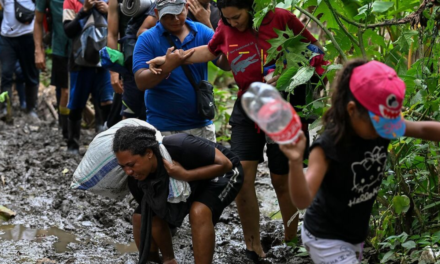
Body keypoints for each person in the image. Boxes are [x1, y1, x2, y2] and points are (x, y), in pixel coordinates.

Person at [147, 0, 321, 261]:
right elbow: (210, 50)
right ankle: (253, 246)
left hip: (284, 105)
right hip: (247, 104)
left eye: (237, 17)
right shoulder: (225, 27)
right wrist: (171, 59)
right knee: (241, 176)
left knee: (280, 180)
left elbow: (315, 50)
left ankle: (291, 241)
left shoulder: (281, 18)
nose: (232, 23)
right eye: (226, 19)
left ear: (251, 8)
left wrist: (296, 74)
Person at [279, 60, 440, 263]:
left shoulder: (382, 124)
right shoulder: (328, 146)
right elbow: (303, 200)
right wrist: (294, 162)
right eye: (379, 126)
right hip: (325, 237)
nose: (385, 132)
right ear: (352, 110)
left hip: (353, 235)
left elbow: (423, 129)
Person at [113, 126, 243, 264]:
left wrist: (185, 175)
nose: (128, 172)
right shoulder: (136, 180)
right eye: (123, 167)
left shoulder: (179, 144)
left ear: (149, 153)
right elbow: (155, 217)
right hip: (190, 183)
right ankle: (163, 261)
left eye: (131, 165)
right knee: (141, 217)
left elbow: (226, 164)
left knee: (198, 211)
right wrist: (169, 258)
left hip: (222, 173)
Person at [132, 0, 229, 142]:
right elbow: (141, 82)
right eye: (168, 15)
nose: (175, 19)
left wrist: (228, 48)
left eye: (178, 13)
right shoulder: (147, 39)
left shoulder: (202, 31)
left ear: (187, 8)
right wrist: (168, 66)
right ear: (157, 14)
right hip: (164, 127)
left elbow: (224, 64)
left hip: (201, 125)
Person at [63, 0, 113, 154]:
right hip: (80, 62)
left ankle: (107, 145)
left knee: (107, 101)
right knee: (77, 103)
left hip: (104, 61)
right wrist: (84, 11)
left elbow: (119, 28)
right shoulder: (71, 2)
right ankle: (73, 144)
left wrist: (108, 11)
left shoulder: (109, 2)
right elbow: (68, 31)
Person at [107, 0, 157, 124]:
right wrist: (114, 71)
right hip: (131, 62)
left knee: (152, 113)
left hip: (157, 60)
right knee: (129, 114)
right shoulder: (116, 2)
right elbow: (112, 34)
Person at [34, 0, 71, 139]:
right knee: (63, 90)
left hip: (85, 49)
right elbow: (38, 20)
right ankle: (65, 130)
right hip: (60, 48)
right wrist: (38, 50)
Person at [0, 0, 40, 121]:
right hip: (7, 37)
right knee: (6, 74)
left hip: (28, 35)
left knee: (31, 74)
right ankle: (5, 108)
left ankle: (31, 108)